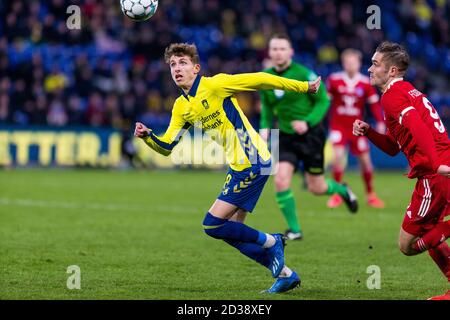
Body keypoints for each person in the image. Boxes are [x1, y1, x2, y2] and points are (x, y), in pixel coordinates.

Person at [134, 43, 322, 293]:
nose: (177, 69)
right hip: (238, 166)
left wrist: (304, 87)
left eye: (182, 63)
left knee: (211, 224)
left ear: (196, 68)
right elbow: (168, 145)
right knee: (232, 232)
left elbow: (261, 79)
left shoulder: (215, 85)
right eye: (172, 65)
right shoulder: (182, 106)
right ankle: (286, 275)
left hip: (254, 160)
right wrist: (148, 136)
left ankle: (272, 241)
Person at [353, 41, 450, 300]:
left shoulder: (392, 97)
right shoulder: (407, 92)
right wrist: (370, 132)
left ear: (392, 70)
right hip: (440, 168)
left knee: (407, 245)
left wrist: (436, 163)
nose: (370, 68)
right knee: (427, 233)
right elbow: (395, 148)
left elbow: (417, 127)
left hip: (435, 173)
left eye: (375, 64)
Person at [259, 34, 358, 241]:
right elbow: (267, 108)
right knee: (280, 180)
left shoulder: (304, 73)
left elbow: (323, 101)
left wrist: (307, 122)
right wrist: (265, 128)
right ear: (269, 53)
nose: (278, 53)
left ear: (291, 52)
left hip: (311, 136)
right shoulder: (265, 77)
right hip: (286, 136)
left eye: (282, 49)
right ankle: (295, 230)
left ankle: (342, 190)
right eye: (274, 49)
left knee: (317, 187)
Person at [327, 49, 386, 209]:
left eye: (353, 62)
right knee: (337, 158)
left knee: (366, 163)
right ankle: (337, 195)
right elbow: (326, 102)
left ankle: (371, 195)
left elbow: (374, 105)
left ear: (359, 64)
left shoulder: (365, 83)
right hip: (338, 126)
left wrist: (380, 122)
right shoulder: (334, 80)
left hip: (357, 128)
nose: (350, 65)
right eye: (347, 62)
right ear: (343, 63)